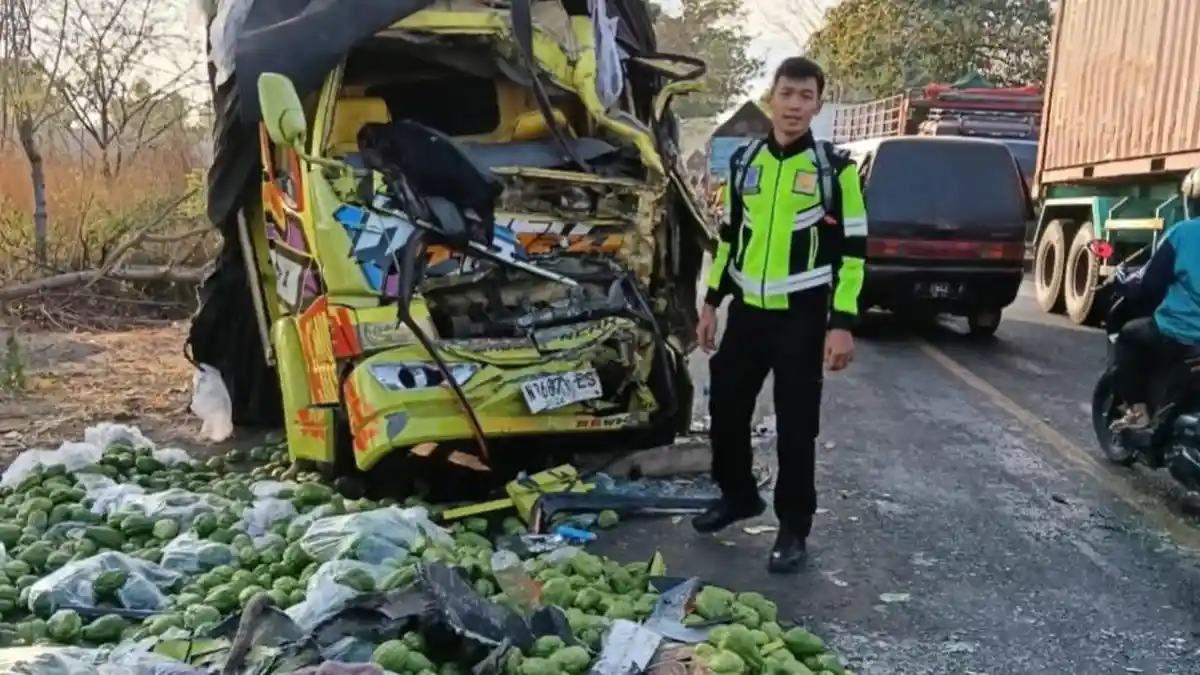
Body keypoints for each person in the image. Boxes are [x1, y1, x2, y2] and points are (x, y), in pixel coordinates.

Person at [693, 56, 867, 574]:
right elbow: (729, 239)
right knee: (724, 405)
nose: (794, 105)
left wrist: (842, 323)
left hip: (803, 315)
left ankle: (793, 528)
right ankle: (739, 495)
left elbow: (853, 251)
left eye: (805, 96)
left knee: (796, 426)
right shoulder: (745, 164)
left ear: (817, 103)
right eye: (786, 94)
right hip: (748, 312)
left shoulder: (835, 171)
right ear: (772, 96)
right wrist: (710, 301)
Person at [1111, 168, 1200, 431]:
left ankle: (1139, 412)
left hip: (1180, 333)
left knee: (1128, 336)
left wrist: (1123, 283)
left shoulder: (1183, 234)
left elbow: (1148, 284)